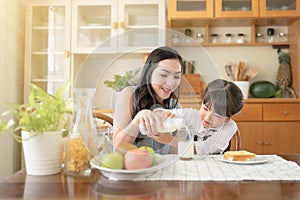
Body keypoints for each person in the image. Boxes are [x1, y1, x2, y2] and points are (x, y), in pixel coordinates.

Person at [113, 46, 184, 154]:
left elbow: (174, 156)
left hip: (161, 169)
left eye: (176, 77)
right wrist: (138, 120)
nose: (171, 83)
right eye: (163, 75)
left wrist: (171, 140)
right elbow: (117, 147)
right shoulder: (130, 95)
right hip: (134, 169)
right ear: (149, 73)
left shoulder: (175, 107)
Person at [153, 79, 244, 155]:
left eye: (217, 115)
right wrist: (161, 114)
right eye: (205, 108)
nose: (207, 118)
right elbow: (158, 113)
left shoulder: (230, 127)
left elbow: (203, 149)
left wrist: (170, 140)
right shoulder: (192, 115)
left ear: (227, 118)